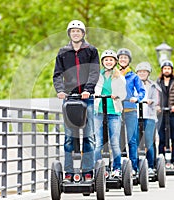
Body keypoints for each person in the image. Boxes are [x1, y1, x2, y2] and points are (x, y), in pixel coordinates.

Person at [53, 20, 100, 182]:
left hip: (87, 99)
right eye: (73, 31)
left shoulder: (91, 51)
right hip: (69, 99)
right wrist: (60, 90)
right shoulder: (63, 52)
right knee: (69, 137)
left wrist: (88, 89)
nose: (75, 34)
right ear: (69, 34)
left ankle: (87, 171)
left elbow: (94, 72)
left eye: (78, 31)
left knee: (88, 136)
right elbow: (57, 74)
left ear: (83, 34)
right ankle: (68, 173)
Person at [94, 50, 126, 177]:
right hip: (99, 111)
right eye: (106, 60)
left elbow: (124, 94)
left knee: (114, 142)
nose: (108, 62)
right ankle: (97, 168)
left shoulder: (119, 77)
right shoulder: (97, 75)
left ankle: (116, 168)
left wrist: (116, 95)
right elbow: (91, 88)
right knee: (98, 143)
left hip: (114, 111)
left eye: (111, 60)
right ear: (103, 62)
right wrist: (94, 95)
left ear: (115, 62)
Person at [117, 48, 146, 175]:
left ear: (129, 60)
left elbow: (141, 91)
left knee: (132, 139)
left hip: (130, 109)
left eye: (125, 58)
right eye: (121, 57)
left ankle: (134, 167)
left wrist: (137, 98)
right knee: (116, 140)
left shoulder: (133, 76)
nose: (123, 59)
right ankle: (117, 167)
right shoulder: (113, 75)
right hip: (117, 110)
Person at [156, 60, 174, 168]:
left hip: (172, 113)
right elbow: (155, 95)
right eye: (165, 68)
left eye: (168, 68)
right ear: (162, 70)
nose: (166, 70)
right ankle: (161, 160)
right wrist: (157, 105)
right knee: (162, 138)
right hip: (161, 113)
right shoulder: (158, 82)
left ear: (171, 70)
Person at [135, 61, 161, 176]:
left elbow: (156, 99)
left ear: (148, 73)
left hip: (149, 116)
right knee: (134, 142)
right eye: (140, 72)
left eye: (144, 72)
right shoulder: (133, 84)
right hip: (135, 116)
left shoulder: (153, 85)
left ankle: (151, 166)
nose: (142, 73)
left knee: (149, 141)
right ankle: (135, 166)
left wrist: (152, 101)